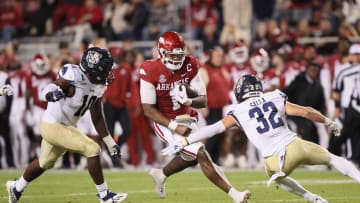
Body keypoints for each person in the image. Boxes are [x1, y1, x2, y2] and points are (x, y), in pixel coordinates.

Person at [162, 74, 360, 203]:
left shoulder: (237, 110)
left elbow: (214, 129)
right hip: (296, 145)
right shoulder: (274, 96)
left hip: (274, 159)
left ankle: (311, 197)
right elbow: (306, 112)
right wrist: (329, 122)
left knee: (280, 179)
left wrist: (185, 141)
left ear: (241, 92)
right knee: (335, 159)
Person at [139, 31, 250, 203]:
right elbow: (148, 109)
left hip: (187, 117)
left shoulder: (190, 64)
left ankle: (161, 174)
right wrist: (174, 127)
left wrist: (190, 99)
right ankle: (235, 195)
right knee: (200, 153)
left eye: (179, 55)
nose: (176, 60)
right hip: (165, 120)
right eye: (172, 56)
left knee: (191, 158)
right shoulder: (149, 69)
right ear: (161, 52)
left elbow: (203, 101)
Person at [6, 47, 128, 203]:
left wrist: (110, 142)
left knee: (45, 162)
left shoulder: (99, 86)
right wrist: (52, 94)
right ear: (94, 70)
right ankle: (105, 195)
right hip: (52, 125)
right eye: (106, 69)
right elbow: (50, 87)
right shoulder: (73, 75)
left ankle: (16, 187)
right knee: (92, 149)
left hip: (64, 127)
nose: (109, 72)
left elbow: (97, 117)